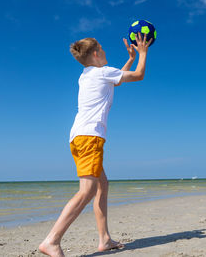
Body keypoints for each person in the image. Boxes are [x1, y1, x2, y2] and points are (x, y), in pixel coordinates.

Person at [39, 33, 152, 257]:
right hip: (90, 137)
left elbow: (113, 79)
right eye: (103, 48)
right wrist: (142, 53)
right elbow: (138, 75)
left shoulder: (87, 75)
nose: (106, 51)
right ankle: (52, 241)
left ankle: (104, 239)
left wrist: (128, 59)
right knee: (88, 190)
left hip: (78, 136)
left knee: (102, 185)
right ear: (97, 53)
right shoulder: (103, 73)